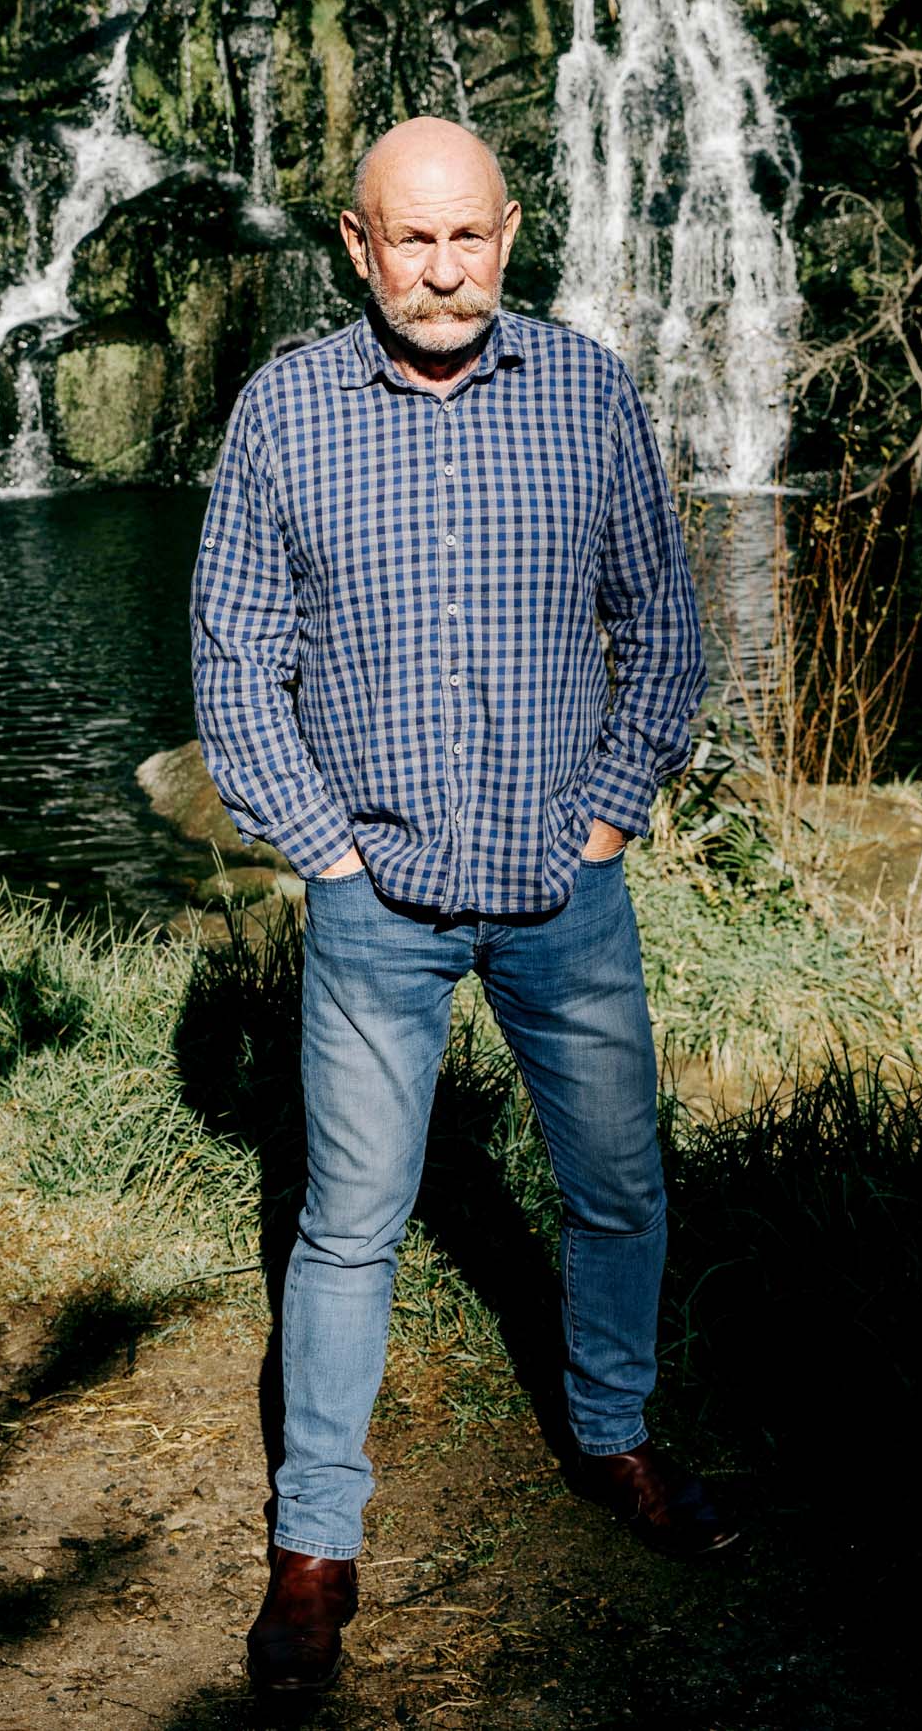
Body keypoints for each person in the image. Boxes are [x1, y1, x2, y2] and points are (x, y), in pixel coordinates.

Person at [191, 116, 733, 1701]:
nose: (443, 270)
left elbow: (667, 628)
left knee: (620, 1188)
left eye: (468, 238)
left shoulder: (587, 394)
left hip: (565, 891)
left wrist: (614, 815)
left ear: (508, 233)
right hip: (377, 901)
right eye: (408, 241)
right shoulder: (287, 412)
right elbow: (237, 665)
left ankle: (616, 1440)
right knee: (349, 1228)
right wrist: (323, 850)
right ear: (357, 246)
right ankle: (315, 1541)